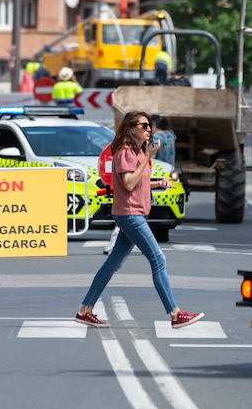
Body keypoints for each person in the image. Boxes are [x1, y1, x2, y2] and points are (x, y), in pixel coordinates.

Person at [73, 111, 201, 330]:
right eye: (143, 126)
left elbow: (136, 181)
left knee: (112, 263)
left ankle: (85, 310)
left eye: (149, 125)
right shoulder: (125, 152)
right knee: (158, 259)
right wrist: (149, 157)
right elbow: (129, 183)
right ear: (130, 128)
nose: (148, 129)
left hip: (134, 213)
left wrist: (157, 183)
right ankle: (175, 314)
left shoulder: (137, 152)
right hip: (130, 214)